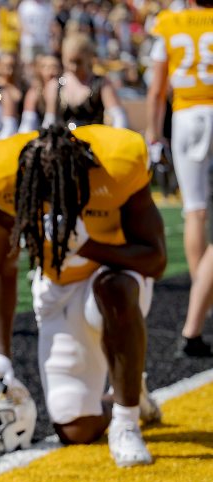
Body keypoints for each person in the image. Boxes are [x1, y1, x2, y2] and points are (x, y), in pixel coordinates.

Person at [0, 124, 165, 468]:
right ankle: (130, 392)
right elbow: (1, 268)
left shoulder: (118, 163)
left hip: (118, 284)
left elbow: (155, 259)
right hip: (56, 290)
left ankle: (126, 421)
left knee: (113, 288)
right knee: (76, 427)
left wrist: (89, 247)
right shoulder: (4, 175)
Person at [145, 1, 213, 357]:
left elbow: (157, 89)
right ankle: (203, 297)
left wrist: (154, 134)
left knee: (195, 211)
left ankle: (201, 293)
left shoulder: (169, 22)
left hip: (187, 114)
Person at [41, 33, 128, 130]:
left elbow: (118, 116)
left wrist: (116, 140)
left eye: (79, 62)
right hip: (64, 143)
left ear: (89, 58)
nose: (74, 67)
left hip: (93, 141)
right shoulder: (55, 85)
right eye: (70, 61)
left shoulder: (101, 83)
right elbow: (49, 120)